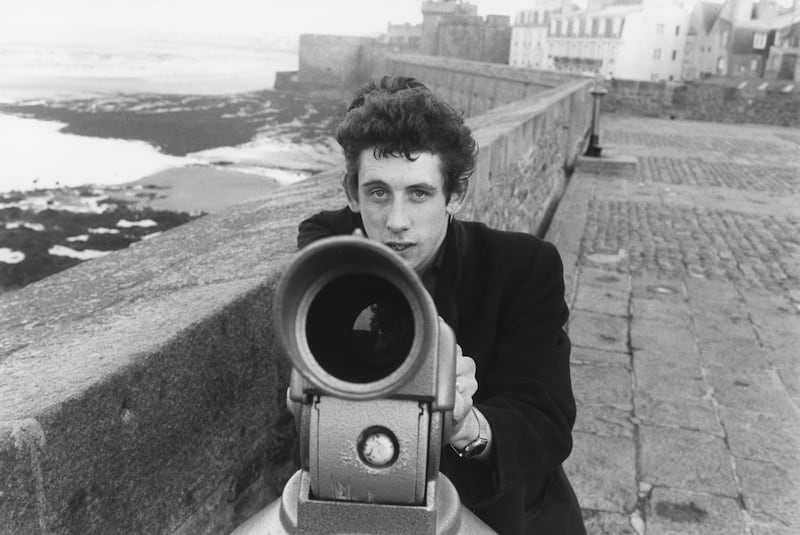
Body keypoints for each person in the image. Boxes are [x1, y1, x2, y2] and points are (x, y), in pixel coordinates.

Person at [296, 76, 585, 535]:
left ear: (454, 195)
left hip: (500, 513)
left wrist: (468, 424)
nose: (396, 221)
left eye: (419, 193)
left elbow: (545, 420)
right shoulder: (328, 242)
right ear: (353, 195)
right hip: (372, 500)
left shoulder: (522, 266)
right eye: (378, 193)